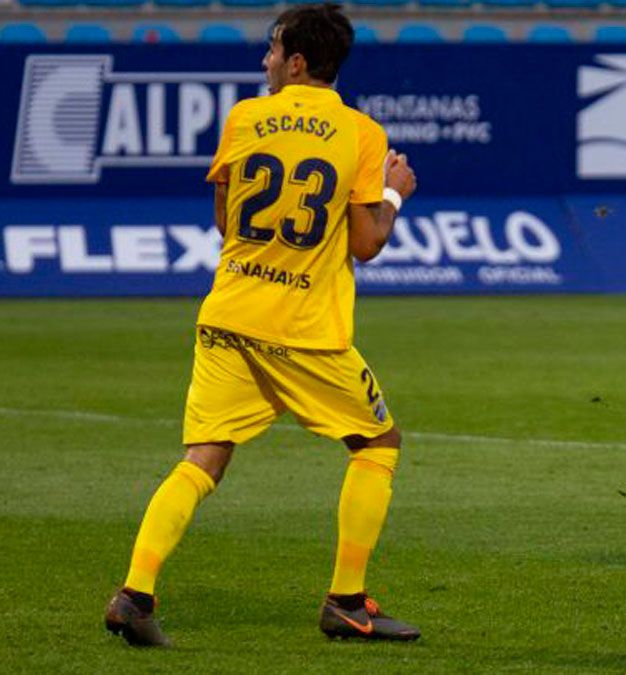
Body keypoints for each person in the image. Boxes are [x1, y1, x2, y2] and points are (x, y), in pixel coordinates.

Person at [103, 3, 420, 646]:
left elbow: (226, 221)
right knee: (377, 444)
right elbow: (364, 244)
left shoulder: (245, 118)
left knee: (203, 458)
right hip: (303, 329)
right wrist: (393, 196)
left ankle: (134, 594)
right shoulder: (362, 133)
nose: (265, 60)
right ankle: (347, 600)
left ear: (297, 60)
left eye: (272, 50)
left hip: (227, 316)